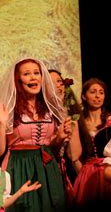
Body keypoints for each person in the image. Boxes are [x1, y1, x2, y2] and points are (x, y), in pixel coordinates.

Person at [0, 57, 72, 212]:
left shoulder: (49, 108)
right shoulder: (8, 109)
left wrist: (60, 137)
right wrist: (2, 123)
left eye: (36, 73)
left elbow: (53, 148)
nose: (33, 77)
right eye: (27, 74)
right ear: (18, 80)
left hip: (47, 168)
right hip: (19, 166)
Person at [71, 78, 111, 209]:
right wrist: (83, 176)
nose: (97, 96)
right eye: (93, 92)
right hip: (88, 174)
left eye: (101, 92)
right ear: (84, 96)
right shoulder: (78, 123)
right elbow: (75, 157)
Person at [48, 69, 81, 205]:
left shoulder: (69, 116)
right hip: (45, 169)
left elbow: (75, 156)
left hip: (63, 171)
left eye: (60, 82)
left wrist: (72, 131)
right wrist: (58, 137)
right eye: (52, 82)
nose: (58, 86)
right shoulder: (41, 116)